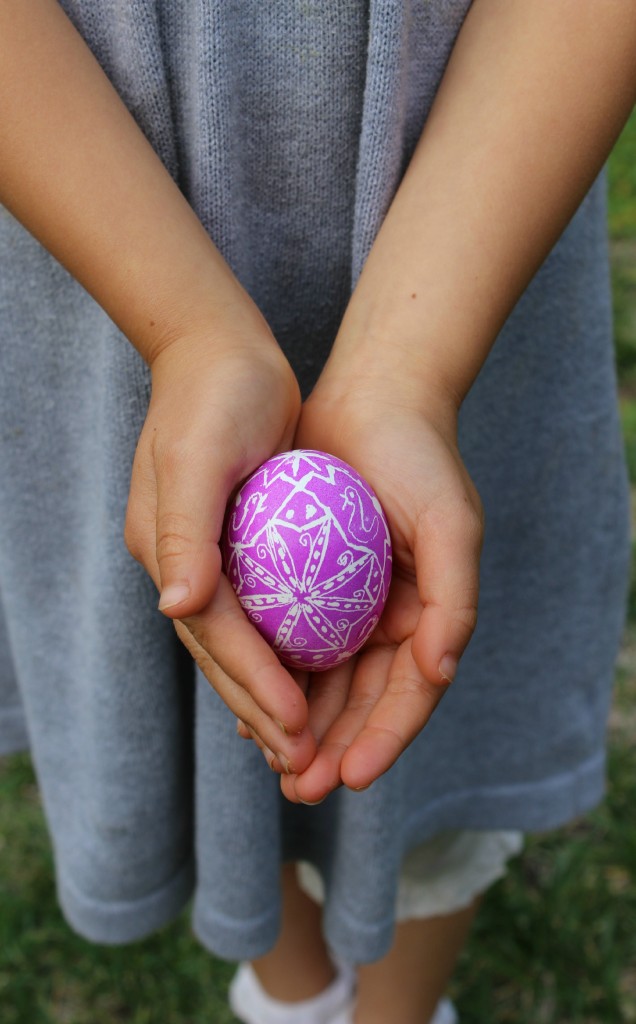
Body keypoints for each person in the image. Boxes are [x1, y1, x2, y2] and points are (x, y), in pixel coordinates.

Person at [0, 2, 634, 1022]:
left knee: (427, 738)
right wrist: (187, 329)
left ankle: (395, 1012)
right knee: (239, 721)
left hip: (479, 206)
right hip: (99, 214)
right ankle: (293, 997)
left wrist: (411, 366)